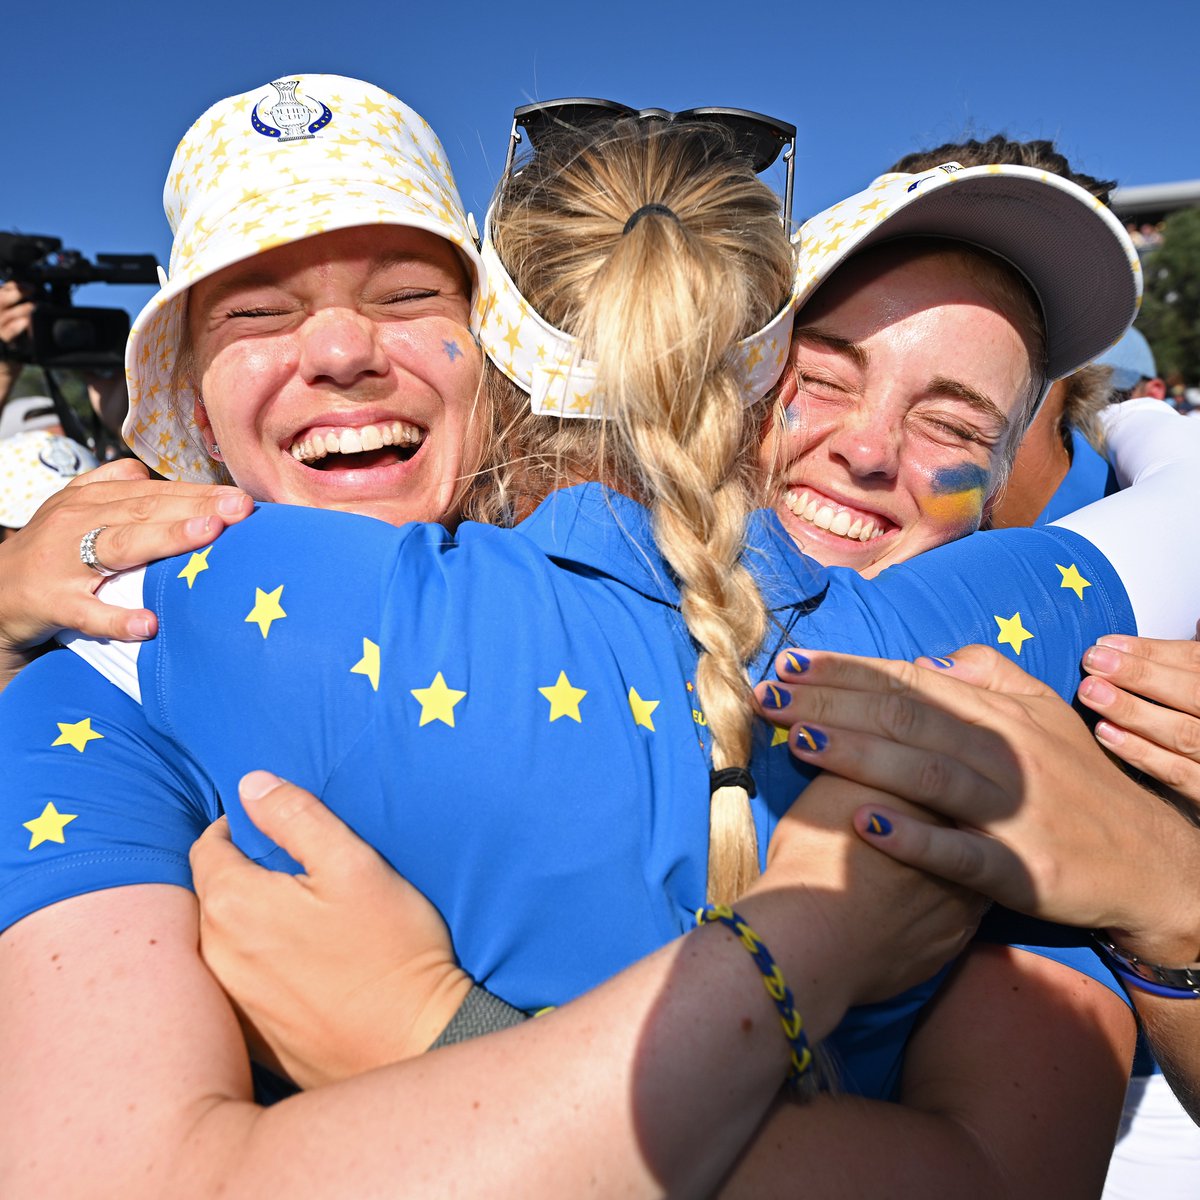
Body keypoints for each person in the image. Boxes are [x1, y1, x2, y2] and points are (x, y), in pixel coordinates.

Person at [0, 78, 1193, 1200]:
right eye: (822, 380)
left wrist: (431, 1035)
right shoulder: (125, 642)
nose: (870, 451)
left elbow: (1001, 1171)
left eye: (953, 419)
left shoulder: (1020, 718)